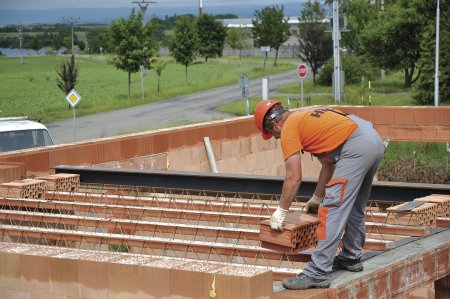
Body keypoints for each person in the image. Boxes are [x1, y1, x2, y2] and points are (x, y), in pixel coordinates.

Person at [253, 100, 385, 290]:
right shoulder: (305, 117)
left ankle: (317, 272)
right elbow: (329, 165)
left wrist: (281, 210)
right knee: (355, 205)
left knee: (331, 209)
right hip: (372, 140)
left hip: (355, 147)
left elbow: (293, 177)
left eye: (273, 135)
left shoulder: (288, 128)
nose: (276, 138)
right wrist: (316, 198)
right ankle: (351, 257)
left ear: (275, 125)